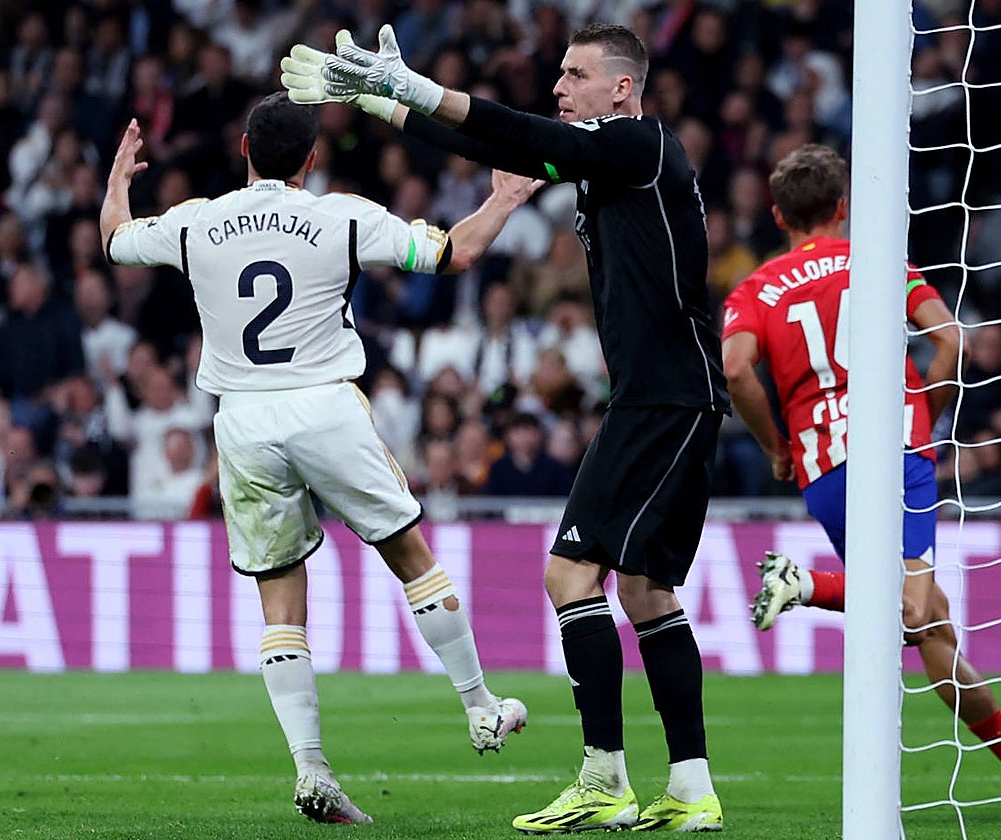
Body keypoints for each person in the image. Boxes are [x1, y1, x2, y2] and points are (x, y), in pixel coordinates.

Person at [280, 22, 729, 833]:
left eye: (576, 74)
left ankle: (603, 779)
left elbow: (521, 132)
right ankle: (692, 788)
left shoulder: (640, 143)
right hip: (675, 394)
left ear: (621, 87)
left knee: (569, 577)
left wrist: (412, 86)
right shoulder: (608, 156)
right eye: (559, 74)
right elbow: (502, 143)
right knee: (646, 590)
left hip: (661, 397)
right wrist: (384, 102)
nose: (559, 86)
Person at [100, 95, 541, 825]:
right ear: (312, 157)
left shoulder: (196, 220)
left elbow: (115, 242)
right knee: (412, 558)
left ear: (244, 148)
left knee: (279, 597)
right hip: (325, 404)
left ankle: (311, 769)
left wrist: (118, 183)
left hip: (241, 419)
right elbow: (452, 253)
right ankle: (480, 707)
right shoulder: (342, 215)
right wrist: (502, 200)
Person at [720, 143, 1001, 809]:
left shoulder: (756, 288)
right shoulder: (880, 263)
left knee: (928, 626)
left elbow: (736, 368)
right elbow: (952, 341)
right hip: (896, 455)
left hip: (823, 467)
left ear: (776, 215)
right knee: (911, 607)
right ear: (845, 208)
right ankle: (806, 584)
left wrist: (776, 447)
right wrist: (921, 415)